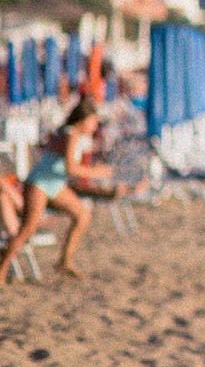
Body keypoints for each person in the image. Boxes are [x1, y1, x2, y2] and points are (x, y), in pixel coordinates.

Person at [0, 101, 120, 283]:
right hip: (39, 184)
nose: (95, 126)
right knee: (28, 229)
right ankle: (3, 267)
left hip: (55, 185)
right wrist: (97, 172)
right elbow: (71, 168)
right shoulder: (70, 134)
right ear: (83, 120)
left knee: (82, 215)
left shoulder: (74, 135)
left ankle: (65, 261)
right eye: (93, 121)